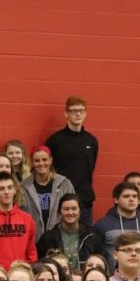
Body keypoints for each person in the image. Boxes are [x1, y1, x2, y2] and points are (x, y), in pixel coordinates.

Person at [45, 95, 98, 227]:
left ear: (85, 113)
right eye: (74, 110)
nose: (78, 114)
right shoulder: (55, 140)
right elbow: (47, 170)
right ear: (66, 113)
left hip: (84, 202)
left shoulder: (91, 141)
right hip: (60, 202)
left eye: (81, 110)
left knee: (84, 241)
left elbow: (90, 170)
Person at [0, 172, 37, 268]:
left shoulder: (27, 219)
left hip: (21, 275)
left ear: (15, 190)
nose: (6, 192)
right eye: (1, 189)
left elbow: (31, 253)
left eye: (10, 187)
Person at [94, 182, 140, 264]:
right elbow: (96, 256)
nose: (131, 199)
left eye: (134, 196)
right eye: (126, 196)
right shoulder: (102, 225)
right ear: (116, 200)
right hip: (112, 274)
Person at [37, 194, 105, 271]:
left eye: (74, 209)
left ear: (80, 211)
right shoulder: (48, 238)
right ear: (59, 212)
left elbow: (102, 262)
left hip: (85, 280)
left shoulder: (92, 236)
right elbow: (40, 265)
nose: (70, 212)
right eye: (66, 209)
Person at [21, 146, 76, 238]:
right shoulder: (24, 186)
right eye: (37, 160)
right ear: (32, 163)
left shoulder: (64, 184)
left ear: (51, 160)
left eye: (44, 159)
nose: (41, 163)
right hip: (32, 239)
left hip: (59, 238)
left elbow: (73, 210)